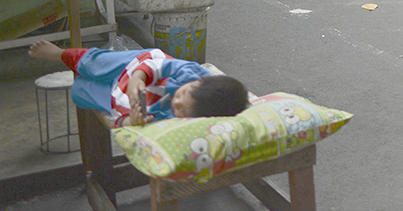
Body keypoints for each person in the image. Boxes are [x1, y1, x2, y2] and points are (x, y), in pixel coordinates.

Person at [29, 40, 248, 127]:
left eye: (180, 109)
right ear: (199, 83)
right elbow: (159, 65)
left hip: (124, 99)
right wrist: (137, 78)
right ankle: (60, 54)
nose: (177, 101)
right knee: (94, 64)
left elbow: (136, 124)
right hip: (139, 67)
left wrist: (130, 123)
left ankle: (89, 82)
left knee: (78, 92)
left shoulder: (173, 121)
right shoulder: (192, 74)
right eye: (184, 94)